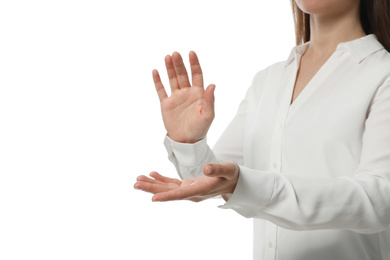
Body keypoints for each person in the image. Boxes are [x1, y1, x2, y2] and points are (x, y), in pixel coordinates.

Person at [134, 0, 390, 259]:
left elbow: (380, 201)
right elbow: (213, 178)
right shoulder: (267, 81)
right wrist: (189, 142)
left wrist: (253, 187)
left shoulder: (383, 75)